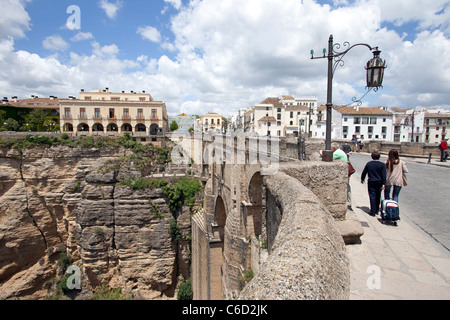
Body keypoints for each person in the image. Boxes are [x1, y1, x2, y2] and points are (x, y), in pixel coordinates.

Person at [361, 151, 386, 216]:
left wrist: (362, 179)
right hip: (379, 182)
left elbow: (364, 172)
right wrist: (384, 183)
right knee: (378, 196)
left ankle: (373, 211)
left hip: (371, 181)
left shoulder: (369, 164)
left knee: (372, 196)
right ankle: (377, 209)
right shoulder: (382, 165)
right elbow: (384, 175)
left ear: (372, 157)